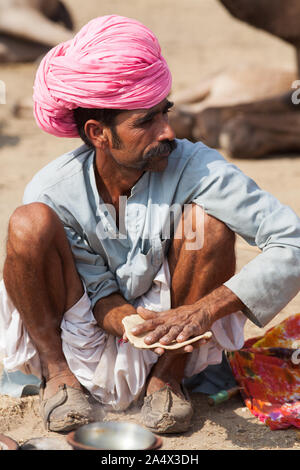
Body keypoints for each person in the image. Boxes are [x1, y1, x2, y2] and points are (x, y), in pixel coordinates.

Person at [0, 15, 299, 435]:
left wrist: (202, 311)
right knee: (27, 223)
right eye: (146, 121)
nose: (168, 131)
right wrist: (130, 321)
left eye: (165, 113)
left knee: (208, 224)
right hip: (84, 327)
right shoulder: (54, 190)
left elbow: (292, 241)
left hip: (178, 333)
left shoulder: (196, 166)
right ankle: (58, 376)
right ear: (98, 133)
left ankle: (169, 380)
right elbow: (97, 291)